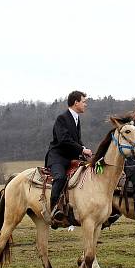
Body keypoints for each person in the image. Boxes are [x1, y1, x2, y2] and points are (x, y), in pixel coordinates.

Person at [43, 91, 93, 224]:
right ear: (76, 102)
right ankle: (53, 210)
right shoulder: (62, 118)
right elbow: (64, 139)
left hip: (72, 157)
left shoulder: (77, 119)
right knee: (60, 178)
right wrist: (82, 149)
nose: (85, 104)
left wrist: (85, 150)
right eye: (84, 101)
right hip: (58, 157)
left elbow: (76, 140)